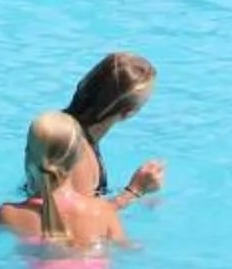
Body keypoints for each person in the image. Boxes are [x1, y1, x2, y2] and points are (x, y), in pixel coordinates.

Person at [0, 111, 130, 251]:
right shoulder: (103, 211)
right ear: (78, 159)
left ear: (28, 156)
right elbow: (127, 250)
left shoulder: (8, 214)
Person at [63, 50, 167, 210]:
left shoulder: (59, 125)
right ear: (127, 113)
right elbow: (82, 219)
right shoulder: (79, 153)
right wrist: (134, 191)